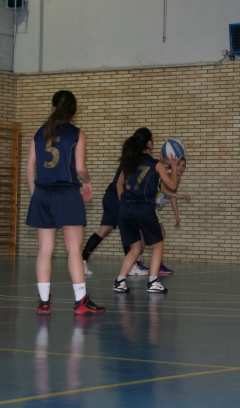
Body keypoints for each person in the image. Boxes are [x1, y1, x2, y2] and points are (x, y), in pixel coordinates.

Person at [25, 90, 105, 315]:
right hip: (67, 193)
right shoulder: (77, 134)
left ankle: (43, 302)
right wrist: (87, 181)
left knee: (45, 249)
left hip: (43, 193)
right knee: (74, 250)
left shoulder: (39, 133)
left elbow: (29, 167)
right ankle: (80, 301)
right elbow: (79, 168)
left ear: (53, 108)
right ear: (73, 112)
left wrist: (35, 194)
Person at [112, 128, 180, 294]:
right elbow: (172, 186)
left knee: (135, 248)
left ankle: (120, 281)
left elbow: (118, 184)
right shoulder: (156, 164)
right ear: (149, 143)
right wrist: (173, 167)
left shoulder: (128, 161)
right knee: (158, 246)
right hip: (143, 208)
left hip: (125, 209)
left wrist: (123, 202)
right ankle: (153, 282)